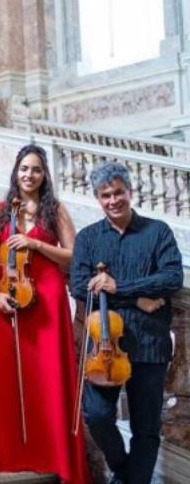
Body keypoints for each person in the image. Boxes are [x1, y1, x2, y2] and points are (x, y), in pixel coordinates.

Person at [0, 144, 92, 484]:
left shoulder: (56, 211)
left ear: (44, 174)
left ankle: (52, 451)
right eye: (24, 169)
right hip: (7, 299)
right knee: (8, 377)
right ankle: (10, 450)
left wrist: (35, 244)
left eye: (36, 169)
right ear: (15, 172)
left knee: (48, 375)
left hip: (48, 299)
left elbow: (72, 256)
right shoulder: (0, 211)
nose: (29, 175)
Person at [71, 162, 183, 484]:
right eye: (105, 195)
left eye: (118, 192)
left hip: (149, 343)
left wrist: (119, 288)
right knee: (97, 416)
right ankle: (124, 473)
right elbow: (80, 285)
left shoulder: (157, 231)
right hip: (103, 349)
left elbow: (171, 277)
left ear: (130, 192)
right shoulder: (88, 238)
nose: (113, 200)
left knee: (146, 428)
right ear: (97, 198)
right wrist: (137, 300)